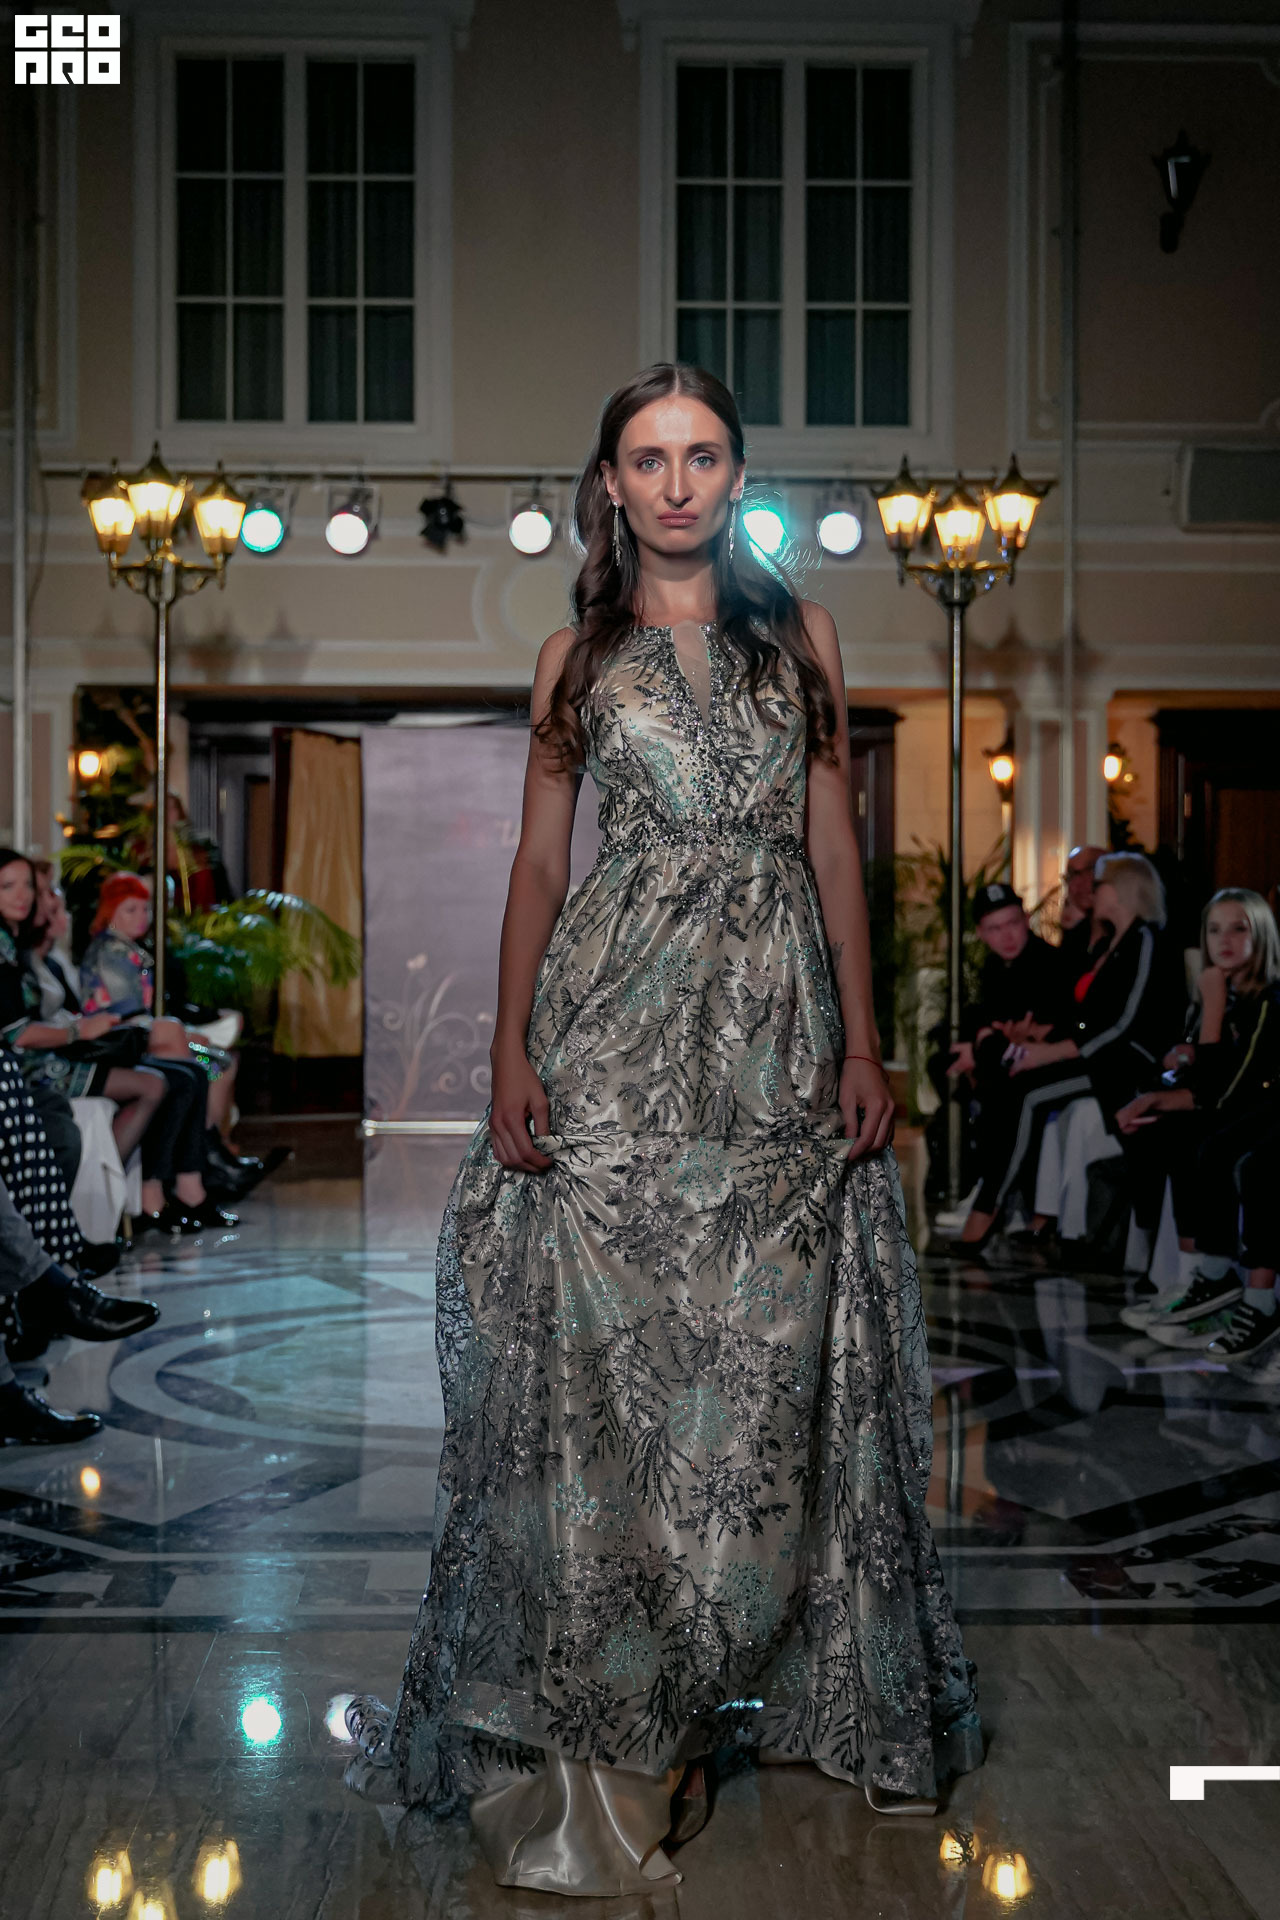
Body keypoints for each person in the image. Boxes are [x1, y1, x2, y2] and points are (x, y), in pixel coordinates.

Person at [342, 363, 982, 1895]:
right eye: (649, 458)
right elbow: (538, 866)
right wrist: (509, 1046)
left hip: (773, 1045)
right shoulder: (576, 657)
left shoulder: (803, 638)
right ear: (612, 483)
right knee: (612, 1378)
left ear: (737, 474)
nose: (678, 482)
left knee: (761, 1378)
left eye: (703, 456)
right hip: (615, 1036)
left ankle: (720, 1680)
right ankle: (630, 1718)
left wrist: (864, 1039)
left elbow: (833, 845)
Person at [954, 851, 1186, 1256]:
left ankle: (990, 1206)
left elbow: (1126, 1024)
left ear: (1123, 890)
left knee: (1027, 1092)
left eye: (1101, 883)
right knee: (1018, 1084)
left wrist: (1056, 1051)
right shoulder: (1116, 944)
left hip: (1124, 1065)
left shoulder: (1145, 939)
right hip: (1098, 1059)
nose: (1092, 890)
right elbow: (1090, 1020)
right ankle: (994, 1201)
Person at [1117, 889, 1280, 1363]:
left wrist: (1211, 1010)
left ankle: (1245, 1293)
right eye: (1214, 930)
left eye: (1239, 929)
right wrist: (1157, 1095)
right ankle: (1201, 1275)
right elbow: (1213, 1083)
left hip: (1264, 1113)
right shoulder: (1227, 991)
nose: (1224, 940)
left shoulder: (1265, 1000)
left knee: (1225, 1151)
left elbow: (1224, 1097)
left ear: (1262, 936)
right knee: (1163, 1130)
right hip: (1247, 1109)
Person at [0, 848, 168, 1190]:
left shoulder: (22, 946)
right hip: (34, 1066)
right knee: (177, 1063)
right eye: (131, 909)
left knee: (190, 1067)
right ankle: (125, 1192)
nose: (142, 917)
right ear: (110, 912)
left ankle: (183, 1178)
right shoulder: (109, 952)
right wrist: (79, 1030)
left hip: (63, 1051)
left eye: (146, 909)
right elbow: (20, 1032)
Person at [1058, 845, 1107, 978]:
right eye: (1071, 875)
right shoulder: (1076, 936)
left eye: (1089, 871)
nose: (1076, 885)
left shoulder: (1126, 936)